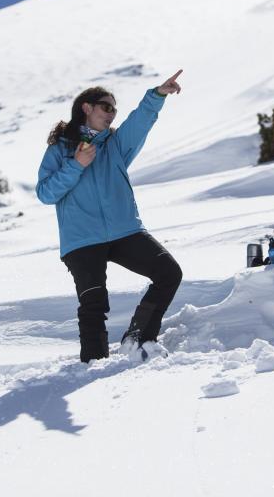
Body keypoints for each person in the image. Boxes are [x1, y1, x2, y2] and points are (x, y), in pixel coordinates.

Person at [36, 71, 184, 363]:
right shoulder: (60, 149)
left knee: (169, 273)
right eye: (106, 107)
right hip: (82, 239)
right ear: (86, 108)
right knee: (93, 305)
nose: (112, 113)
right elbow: (45, 193)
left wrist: (157, 95)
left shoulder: (115, 145)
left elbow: (139, 123)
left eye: (114, 109)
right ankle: (93, 367)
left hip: (124, 231)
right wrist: (76, 165)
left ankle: (139, 337)